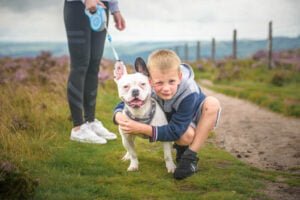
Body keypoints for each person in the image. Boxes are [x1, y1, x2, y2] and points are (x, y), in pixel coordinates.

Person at [114, 49, 221, 180]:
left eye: (171, 81)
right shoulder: (147, 84)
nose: (166, 88)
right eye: (159, 83)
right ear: (150, 80)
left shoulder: (189, 92)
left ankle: (190, 157)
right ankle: (181, 149)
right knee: (182, 135)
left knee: (212, 104)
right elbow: (132, 99)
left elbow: (176, 129)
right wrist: (117, 113)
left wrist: (141, 128)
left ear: (180, 77)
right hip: (172, 117)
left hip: (190, 115)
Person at [64, 0, 125, 144]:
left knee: (93, 64)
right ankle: (78, 128)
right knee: (80, 65)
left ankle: (90, 121)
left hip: (102, 6)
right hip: (78, 6)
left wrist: (115, 9)